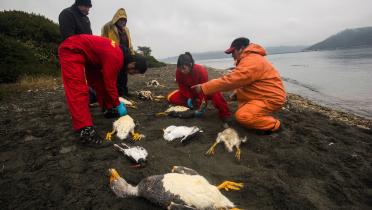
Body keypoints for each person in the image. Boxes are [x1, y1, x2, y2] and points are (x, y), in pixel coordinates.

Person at [58, 34, 147, 147]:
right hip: (72, 49)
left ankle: (107, 109)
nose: (132, 74)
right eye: (135, 72)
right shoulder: (116, 57)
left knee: (99, 83)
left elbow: (105, 83)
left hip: (90, 58)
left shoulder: (118, 54)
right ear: (133, 64)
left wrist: (112, 105)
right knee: (78, 89)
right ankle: (85, 131)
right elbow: (110, 84)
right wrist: (118, 104)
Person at [192, 37, 286, 132]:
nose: (232, 55)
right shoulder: (249, 59)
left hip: (271, 98)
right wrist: (237, 92)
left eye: (233, 52)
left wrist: (204, 87)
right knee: (243, 110)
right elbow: (246, 80)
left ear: (241, 49)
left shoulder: (252, 61)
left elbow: (231, 80)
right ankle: (260, 117)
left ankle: (275, 125)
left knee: (243, 116)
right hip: (262, 94)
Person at [167, 52, 231, 120]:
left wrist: (202, 104)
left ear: (190, 65)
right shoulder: (178, 72)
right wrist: (189, 97)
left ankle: (225, 114)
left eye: (184, 68)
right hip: (190, 92)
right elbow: (182, 87)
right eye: (180, 68)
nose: (182, 71)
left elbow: (204, 88)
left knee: (215, 92)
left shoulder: (201, 70)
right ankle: (194, 102)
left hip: (203, 91)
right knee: (171, 98)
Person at [59, 0, 97, 104]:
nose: (88, 10)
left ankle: (90, 97)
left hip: (87, 54)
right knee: (78, 80)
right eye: (87, 7)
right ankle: (82, 101)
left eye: (89, 7)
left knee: (90, 77)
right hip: (74, 54)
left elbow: (90, 37)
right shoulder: (67, 14)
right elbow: (68, 37)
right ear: (80, 4)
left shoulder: (85, 18)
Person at [102, 8, 135, 98]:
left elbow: (129, 42)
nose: (123, 22)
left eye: (124, 20)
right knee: (116, 74)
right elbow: (103, 40)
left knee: (124, 74)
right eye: (121, 19)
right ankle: (118, 93)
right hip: (114, 54)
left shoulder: (126, 29)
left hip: (125, 54)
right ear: (116, 18)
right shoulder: (108, 27)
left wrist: (131, 53)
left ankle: (124, 91)